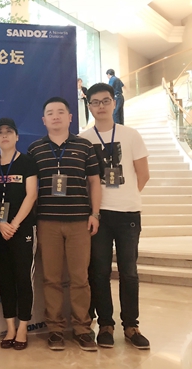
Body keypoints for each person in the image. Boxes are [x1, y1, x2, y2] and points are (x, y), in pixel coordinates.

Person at [27, 97, 101, 352]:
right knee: (51, 278)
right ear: (43, 120)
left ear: (70, 117)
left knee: (80, 278)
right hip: (47, 222)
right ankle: (55, 329)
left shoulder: (84, 146)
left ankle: (82, 329)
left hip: (80, 221)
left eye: (60, 112)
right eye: (50, 113)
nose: (55, 116)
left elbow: (94, 182)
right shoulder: (35, 149)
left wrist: (95, 214)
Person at [80, 83, 150, 350]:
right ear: (89, 106)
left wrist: (126, 197)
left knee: (129, 272)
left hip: (128, 213)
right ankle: (105, 325)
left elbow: (143, 174)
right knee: (98, 272)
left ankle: (131, 326)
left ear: (114, 103)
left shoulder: (130, 135)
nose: (101, 106)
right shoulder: (84, 139)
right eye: (95, 102)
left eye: (105, 101)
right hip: (98, 215)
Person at [0, 118, 38, 351]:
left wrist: (14, 224)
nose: (4, 135)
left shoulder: (27, 162)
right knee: (5, 279)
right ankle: (9, 328)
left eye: (9, 132)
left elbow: (31, 195)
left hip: (22, 229)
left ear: (17, 136)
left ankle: (23, 327)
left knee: (22, 278)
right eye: (0, 133)